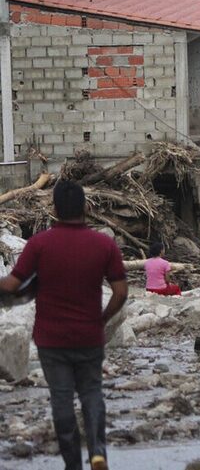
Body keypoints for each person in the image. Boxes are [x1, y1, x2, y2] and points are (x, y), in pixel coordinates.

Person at [0, 180, 128, 470]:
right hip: (89, 336)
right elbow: (120, 293)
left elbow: (12, 284)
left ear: (55, 208)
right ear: (85, 207)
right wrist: (103, 319)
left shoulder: (40, 244)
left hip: (51, 340)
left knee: (61, 399)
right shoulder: (104, 244)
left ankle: (73, 465)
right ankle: (97, 453)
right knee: (92, 392)